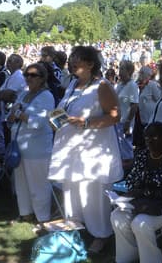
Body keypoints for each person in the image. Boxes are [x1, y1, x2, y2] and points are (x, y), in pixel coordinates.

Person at [48, 46, 123, 253]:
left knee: (93, 193)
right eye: (71, 58)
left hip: (93, 151)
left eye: (76, 58)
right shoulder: (72, 84)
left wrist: (87, 122)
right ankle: (76, 227)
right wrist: (56, 119)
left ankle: (101, 234)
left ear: (90, 63)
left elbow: (116, 116)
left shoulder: (101, 86)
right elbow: (67, 110)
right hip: (70, 149)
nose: (71, 62)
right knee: (72, 191)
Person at [110, 122, 162, 263]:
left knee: (141, 223)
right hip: (143, 203)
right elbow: (131, 181)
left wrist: (143, 192)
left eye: (154, 137)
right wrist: (130, 195)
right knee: (117, 216)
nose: (149, 141)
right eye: (146, 137)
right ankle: (128, 258)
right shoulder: (142, 156)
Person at [7, 63, 54, 226]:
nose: (29, 78)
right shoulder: (24, 93)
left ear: (42, 78)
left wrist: (19, 113)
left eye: (33, 75)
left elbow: (39, 123)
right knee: (21, 183)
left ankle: (42, 218)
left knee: (38, 184)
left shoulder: (46, 96)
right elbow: (11, 114)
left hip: (37, 148)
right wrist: (13, 115)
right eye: (27, 74)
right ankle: (25, 213)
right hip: (19, 145)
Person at [134, 66, 162, 149]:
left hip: (149, 117)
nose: (140, 75)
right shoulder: (136, 84)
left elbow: (159, 99)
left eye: (142, 73)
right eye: (140, 73)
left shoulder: (152, 85)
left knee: (148, 138)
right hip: (138, 116)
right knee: (139, 139)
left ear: (148, 75)